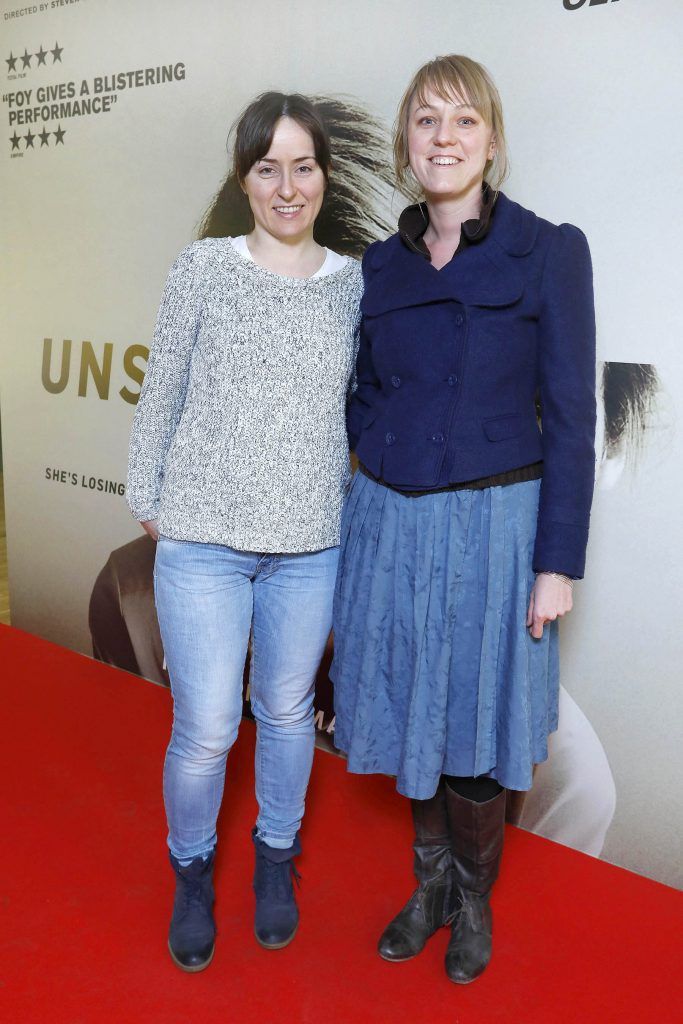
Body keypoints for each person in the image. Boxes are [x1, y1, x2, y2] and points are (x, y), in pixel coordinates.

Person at [330, 55, 596, 984]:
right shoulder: (378, 264)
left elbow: (570, 415)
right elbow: (358, 389)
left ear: (490, 141)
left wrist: (555, 560)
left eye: (462, 122)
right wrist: (375, 447)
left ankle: (472, 901)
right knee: (413, 711)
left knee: (475, 728)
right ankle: (429, 887)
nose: (443, 139)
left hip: (495, 528)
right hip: (392, 524)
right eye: (425, 122)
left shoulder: (547, 248)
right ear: (406, 143)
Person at [126, 91, 362, 972]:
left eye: (304, 166)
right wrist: (146, 494)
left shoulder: (354, 285)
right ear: (245, 178)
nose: (288, 186)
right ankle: (192, 869)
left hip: (309, 543)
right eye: (269, 167)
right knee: (208, 727)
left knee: (289, 712)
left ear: (324, 177)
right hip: (203, 542)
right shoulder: (203, 268)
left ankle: (274, 858)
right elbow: (163, 391)